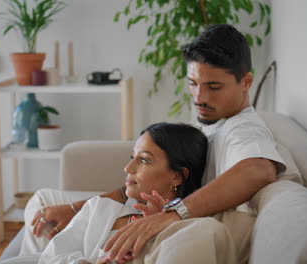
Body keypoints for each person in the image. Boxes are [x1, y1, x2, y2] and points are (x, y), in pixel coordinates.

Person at [30, 24, 287, 264]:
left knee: (42, 211)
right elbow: (141, 180)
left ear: (246, 82)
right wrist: (75, 208)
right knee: (45, 203)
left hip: (172, 223)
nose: (199, 97)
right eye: (193, 83)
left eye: (213, 86)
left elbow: (258, 170)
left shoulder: (243, 130)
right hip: (151, 204)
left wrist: (172, 215)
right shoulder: (215, 120)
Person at [0, 122, 208, 264]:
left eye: (144, 159)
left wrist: (158, 235)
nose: (128, 168)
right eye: (132, 157)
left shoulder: (185, 233)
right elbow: (51, 256)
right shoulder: (101, 208)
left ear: (177, 177)